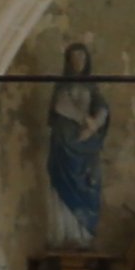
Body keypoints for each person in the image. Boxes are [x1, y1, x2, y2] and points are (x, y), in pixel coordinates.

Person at [44, 39, 113, 244]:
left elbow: (103, 108)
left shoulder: (92, 86)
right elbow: (60, 105)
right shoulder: (62, 86)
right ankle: (66, 234)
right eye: (74, 58)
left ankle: (85, 235)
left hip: (87, 146)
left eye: (82, 57)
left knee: (89, 183)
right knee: (63, 182)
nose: (78, 62)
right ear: (68, 61)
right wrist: (86, 120)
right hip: (65, 143)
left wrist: (95, 124)